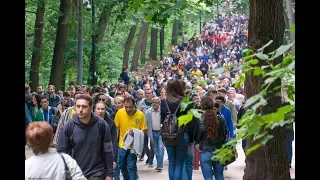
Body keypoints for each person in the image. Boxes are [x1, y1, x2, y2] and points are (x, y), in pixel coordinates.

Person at [57, 94, 114, 180]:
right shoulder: (69, 126)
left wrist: (109, 174)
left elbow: (108, 151)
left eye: (84, 107)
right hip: (75, 173)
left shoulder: (102, 125)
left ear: (91, 108)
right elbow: (62, 152)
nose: (80, 110)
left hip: (96, 172)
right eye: (78, 106)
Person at [160, 79, 197, 180]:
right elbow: (191, 123)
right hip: (183, 135)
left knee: (171, 162)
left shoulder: (163, 102)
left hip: (168, 135)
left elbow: (162, 121)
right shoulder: (187, 102)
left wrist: (162, 137)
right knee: (179, 163)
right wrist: (192, 139)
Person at [114, 96, 147, 180]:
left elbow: (144, 130)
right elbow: (117, 128)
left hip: (133, 146)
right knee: (121, 165)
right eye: (126, 107)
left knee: (131, 166)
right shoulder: (120, 113)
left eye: (130, 107)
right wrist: (115, 143)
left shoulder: (140, 115)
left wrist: (136, 132)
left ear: (134, 105)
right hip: (122, 145)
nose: (128, 109)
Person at [195, 96, 227, 180]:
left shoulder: (201, 119)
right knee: (219, 176)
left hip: (205, 151)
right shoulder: (221, 118)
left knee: (208, 178)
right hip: (219, 150)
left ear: (202, 106)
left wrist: (197, 143)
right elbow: (225, 134)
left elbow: (199, 134)